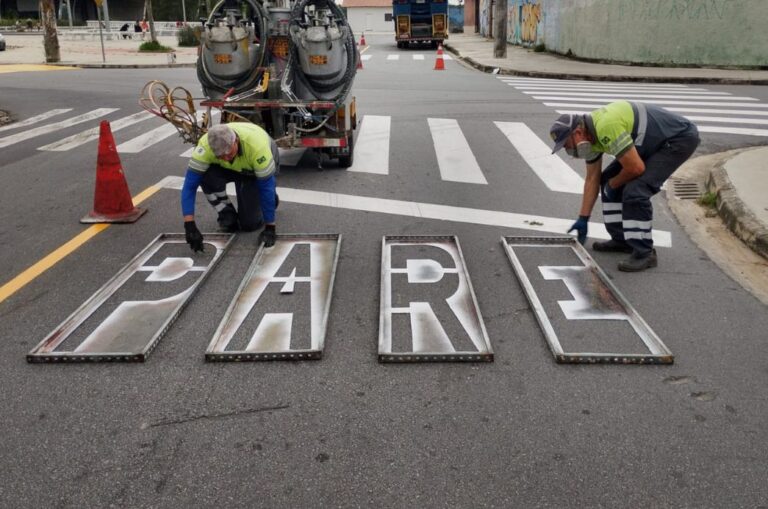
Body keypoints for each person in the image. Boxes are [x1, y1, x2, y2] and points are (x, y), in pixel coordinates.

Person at [550, 101, 700, 272]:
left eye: (567, 145)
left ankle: (645, 253)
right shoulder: (589, 138)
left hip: (677, 138)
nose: (569, 151)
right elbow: (592, 179)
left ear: (577, 133)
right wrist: (583, 218)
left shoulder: (605, 127)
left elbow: (636, 168)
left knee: (636, 191)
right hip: (650, 142)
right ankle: (622, 240)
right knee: (607, 180)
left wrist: (613, 184)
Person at [182, 123, 280, 252]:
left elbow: (266, 186)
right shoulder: (205, 148)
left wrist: (270, 227)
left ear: (236, 141)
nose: (226, 158)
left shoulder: (256, 148)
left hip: (253, 169)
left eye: (228, 153)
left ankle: (271, 199)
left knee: (249, 224)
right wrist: (189, 225)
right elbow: (189, 186)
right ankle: (227, 215)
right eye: (220, 156)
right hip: (233, 168)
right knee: (204, 175)